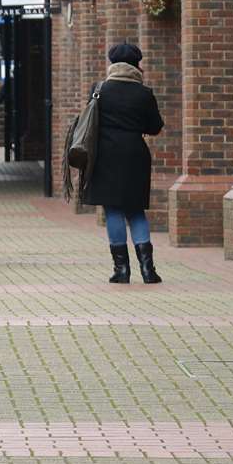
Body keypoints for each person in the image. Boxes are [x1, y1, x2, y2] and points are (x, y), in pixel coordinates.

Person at [80, 42, 166, 284]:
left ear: (112, 63)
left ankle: (121, 270)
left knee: (113, 210)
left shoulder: (99, 90)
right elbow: (155, 127)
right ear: (137, 64)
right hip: (135, 155)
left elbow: (90, 120)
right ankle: (148, 270)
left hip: (105, 155)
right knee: (136, 210)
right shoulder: (144, 93)